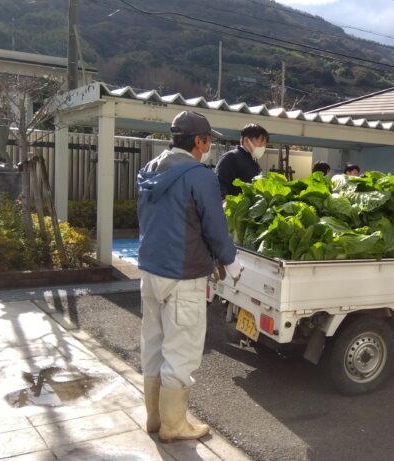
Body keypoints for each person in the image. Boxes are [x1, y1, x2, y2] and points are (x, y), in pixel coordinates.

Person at [136, 110, 242, 443]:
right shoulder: (199, 176)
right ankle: (174, 426)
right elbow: (214, 225)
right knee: (181, 351)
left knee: (153, 345)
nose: (210, 145)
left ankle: (155, 418)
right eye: (209, 139)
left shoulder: (150, 169)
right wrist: (231, 261)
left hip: (150, 272)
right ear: (198, 141)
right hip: (183, 276)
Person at [214, 123, 269, 197]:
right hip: (234, 207)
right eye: (260, 142)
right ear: (246, 140)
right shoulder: (230, 157)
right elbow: (219, 185)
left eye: (265, 144)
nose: (263, 147)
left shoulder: (253, 162)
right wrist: (225, 203)